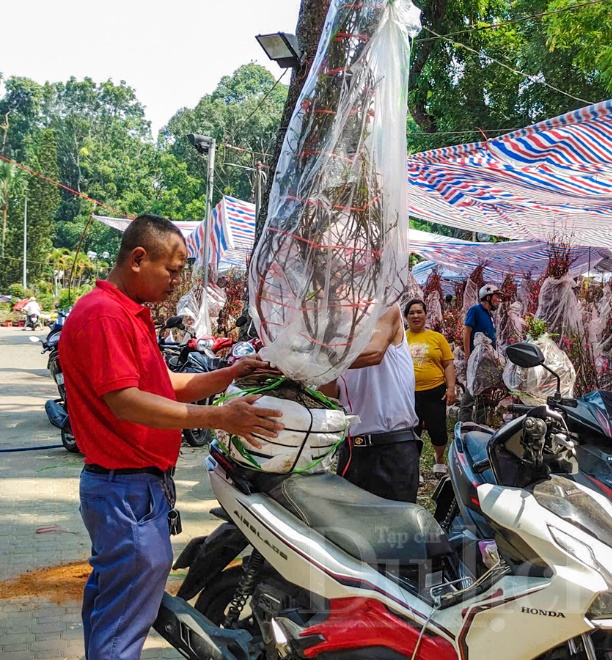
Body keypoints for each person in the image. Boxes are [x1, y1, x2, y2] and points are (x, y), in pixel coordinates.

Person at [59, 214, 284, 660]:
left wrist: (230, 374)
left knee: (114, 610)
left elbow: (163, 383)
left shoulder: (126, 312)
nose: (177, 281)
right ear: (139, 258)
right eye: (174, 269)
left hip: (131, 489)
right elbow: (127, 402)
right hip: (126, 491)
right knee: (123, 624)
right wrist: (220, 418)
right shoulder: (105, 315)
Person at [320, 305, 421, 503]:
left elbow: (375, 352)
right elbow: (329, 397)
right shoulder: (331, 338)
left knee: (396, 526)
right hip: (353, 451)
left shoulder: (385, 309)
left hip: (393, 447)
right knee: (354, 527)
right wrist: (324, 370)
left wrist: (316, 361)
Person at [404, 299, 456, 477]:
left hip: (435, 391)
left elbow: (448, 364)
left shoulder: (437, 338)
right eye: (411, 312)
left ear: (426, 315)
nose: (416, 315)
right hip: (409, 394)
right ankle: (414, 466)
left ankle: (439, 459)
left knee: (438, 430)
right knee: (412, 431)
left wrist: (451, 388)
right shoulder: (401, 339)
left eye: (419, 312)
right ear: (406, 317)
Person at [459, 284, 502, 424]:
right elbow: (467, 332)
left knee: (483, 395)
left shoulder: (490, 315)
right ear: (488, 297)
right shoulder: (475, 310)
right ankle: (464, 425)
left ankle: (480, 426)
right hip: (476, 361)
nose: (498, 299)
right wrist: (468, 355)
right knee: (470, 394)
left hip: (486, 362)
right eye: (496, 296)